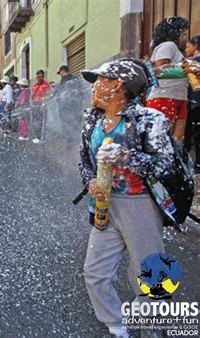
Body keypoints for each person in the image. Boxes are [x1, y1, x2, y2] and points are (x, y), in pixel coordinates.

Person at [79, 59, 175, 338]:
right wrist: (91, 181)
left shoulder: (150, 120)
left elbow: (164, 165)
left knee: (149, 275)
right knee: (95, 272)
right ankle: (115, 323)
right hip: (103, 205)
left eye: (99, 81)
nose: (93, 88)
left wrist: (125, 156)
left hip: (140, 203)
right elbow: (84, 160)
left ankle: (151, 326)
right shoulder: (93, 119)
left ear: (117, 86)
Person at [146, 16, 190, 142]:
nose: (186, 38)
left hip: (179, 97)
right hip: (164, 96)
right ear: (174, 33)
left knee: (177, 139)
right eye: (183, 34)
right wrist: (185, 71)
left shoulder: (177, 50)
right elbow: (161, 70)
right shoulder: (168, 45)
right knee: (162, 138)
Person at [184, 36, 200, 172]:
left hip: (195, 105)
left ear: (195, 46)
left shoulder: (191, 64)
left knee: (193, 135)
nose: (186, 49)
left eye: (188, 46)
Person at [31, 69, 51, 143]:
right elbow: (32, 96)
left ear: (43, 77)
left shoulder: (46, 85)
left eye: (41, 76)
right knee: (36, 122)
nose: (39, 78)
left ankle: (43, 138)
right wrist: (32, 104)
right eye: (38, 77)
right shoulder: (35, 85)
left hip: (42, 104)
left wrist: (44, 104)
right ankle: (38, 137)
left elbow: (49, 95)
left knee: (42, 122)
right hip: (35, 104)